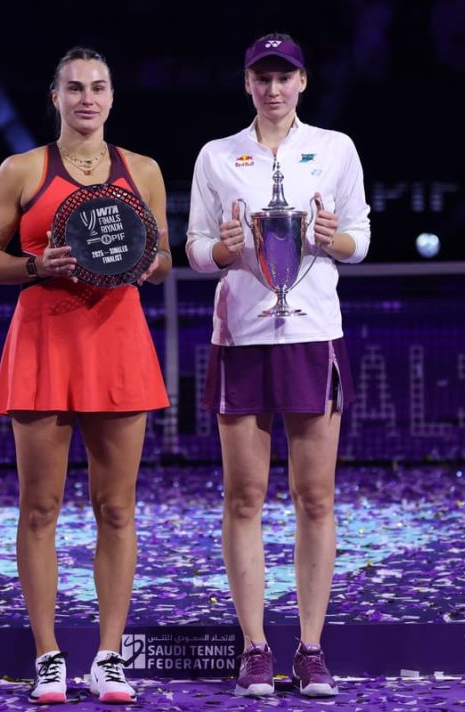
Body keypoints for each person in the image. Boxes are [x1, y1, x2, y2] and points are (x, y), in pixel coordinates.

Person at [0, 46, 171, 705]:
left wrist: (146, 264)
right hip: (44, 344)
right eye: (75, 88)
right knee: (40, 508)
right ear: (55, 97)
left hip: (118, 345)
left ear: (112, 97)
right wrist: (38, 266)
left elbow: (163, 258)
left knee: (116, 508)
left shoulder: (143, 170)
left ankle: (109, 657)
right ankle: (48, 657)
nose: (88, 98)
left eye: (99, 87)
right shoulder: (21, 170)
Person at [185, 32, 371, 698]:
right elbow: (195, 248)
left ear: (302, 82)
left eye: (283, 77)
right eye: (261, 77)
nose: (272, 88)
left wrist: (331, 237)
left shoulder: (336, 148)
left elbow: (360, 240)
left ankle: (312, 649)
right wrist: (223, 249)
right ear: (247, 84)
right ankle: (256, 648)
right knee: (244, 498)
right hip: (241, 338)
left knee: (315, 498)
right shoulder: (217, 155)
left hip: (313, 335)